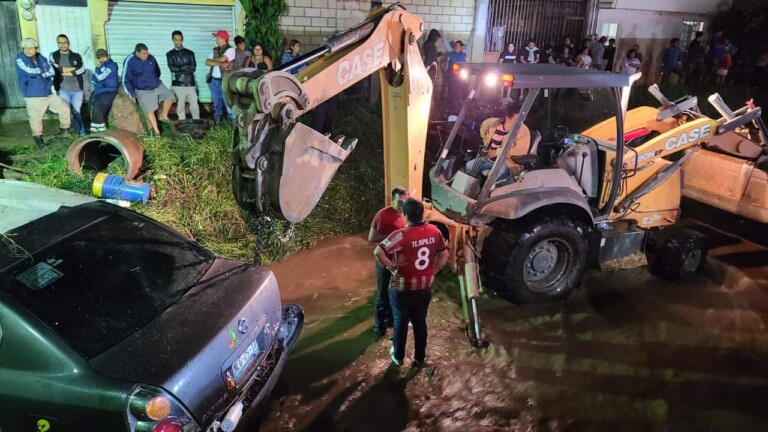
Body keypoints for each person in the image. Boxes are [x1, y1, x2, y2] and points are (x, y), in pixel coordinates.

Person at [374, 197, 448, 367]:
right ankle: (420, 358)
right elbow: (444, 254)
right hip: (424, 287)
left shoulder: (400, 235)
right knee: (420, 322)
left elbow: (378, 251)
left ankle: (398, 357)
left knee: (400, 322)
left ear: (406, 215)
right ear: (422, 214)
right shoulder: (435, 231)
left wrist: (391, 266)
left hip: (402, 288)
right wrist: (433, 271)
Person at [15, 37, 70, 148]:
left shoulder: (41, 58)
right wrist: (42, 73)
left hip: (47, 92)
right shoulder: (20, 59)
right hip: (33, 94)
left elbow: (51, 71)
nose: (28, 50)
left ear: (36, 48)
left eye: (31, 48)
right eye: (25, 48)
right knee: (36, 119)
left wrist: (40, 75)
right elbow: (29, 72)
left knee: (64, 107)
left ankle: (64, 131)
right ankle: (39, 140)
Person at [368, 187, 409, 337]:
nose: (401, 205)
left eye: (405, 202)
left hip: (400, 263)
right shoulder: (382, 215)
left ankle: (391, 321)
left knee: (397, 293)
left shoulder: (407, 214)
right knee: (382, 294)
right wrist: (393, 237)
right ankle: (379, 326)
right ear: (391, 200)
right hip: (384, 261)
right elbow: (371, 237)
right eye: (399, 202)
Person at [465, 104, 531, 181]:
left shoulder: (523, 131)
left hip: (507, 163)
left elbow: (520, 152)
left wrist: (497, 152)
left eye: (522, 119)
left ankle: (489, 191)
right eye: (517, 119)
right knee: (469, 166)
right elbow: (484, 128)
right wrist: (486, 143)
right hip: (489, 159)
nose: (520, 122)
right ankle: (475, 188)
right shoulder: (493, 123)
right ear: (508, 118)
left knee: (494, 175)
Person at [122, 43, 176, 135]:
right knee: (150, 110)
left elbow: (157, 70)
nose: (146, 55)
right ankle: (156, 131)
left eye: (147, 53)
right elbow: (125, 79)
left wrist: (154, 79)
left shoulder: (151, 58)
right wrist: (131, 93)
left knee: (170, 97)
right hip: (142, 90)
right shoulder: (130, 60)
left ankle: (163, 115)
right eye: (143, 53)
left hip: (156, 85)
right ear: (137, 53)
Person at [49, 34, 86, 136]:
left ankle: (81, 133)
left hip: (77, 89)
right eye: (60, 43)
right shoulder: (53, 55)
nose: (62, 45)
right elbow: (56, 69)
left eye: (65, 42)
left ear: (68, 43)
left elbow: (82, 69)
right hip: (62, 89)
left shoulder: (76, 56)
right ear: (57, 43)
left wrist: (66, 72)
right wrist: (73, 68)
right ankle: (66, 133)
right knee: (65, 111)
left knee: (76, 111)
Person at [166, 30, 200, 120]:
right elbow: (172, 69)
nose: (178, 42)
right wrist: (186, 67)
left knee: (194, 106)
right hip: (178, 84)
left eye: (180, 40)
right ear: (172, 40)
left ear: (183, 40)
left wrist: (179, 69)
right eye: (176, 40)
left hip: (189, 83)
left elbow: (193, 68)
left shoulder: (190, 53)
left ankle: (197, 123)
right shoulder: (170, 54)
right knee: (180, 107)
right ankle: (182, 124)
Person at [205, 30, 236, 125]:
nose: (216, 40)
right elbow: (207, 62)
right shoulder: (215, 49)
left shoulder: (231, 50)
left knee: (228, 103)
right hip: (214, 80)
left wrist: (214, 60)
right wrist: (219, 63)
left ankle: (233, 126)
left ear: (223, 39)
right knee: (216, 103)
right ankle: (218, 125)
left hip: (225, 80)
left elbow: (223, 58)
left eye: (218, 38)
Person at [90, 49, 118, 133]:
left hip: (108, 91)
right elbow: (94, 79)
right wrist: (96, 77)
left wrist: (96, 71)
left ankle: (102, 131)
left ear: (107, 56)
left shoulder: (111, 66)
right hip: (99, 91)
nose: (101, 59)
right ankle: (95, 131)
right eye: (99, 57)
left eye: (103, 57)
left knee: (97, 110)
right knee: (94, 110)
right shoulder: (101, 66)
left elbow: (99, 78)